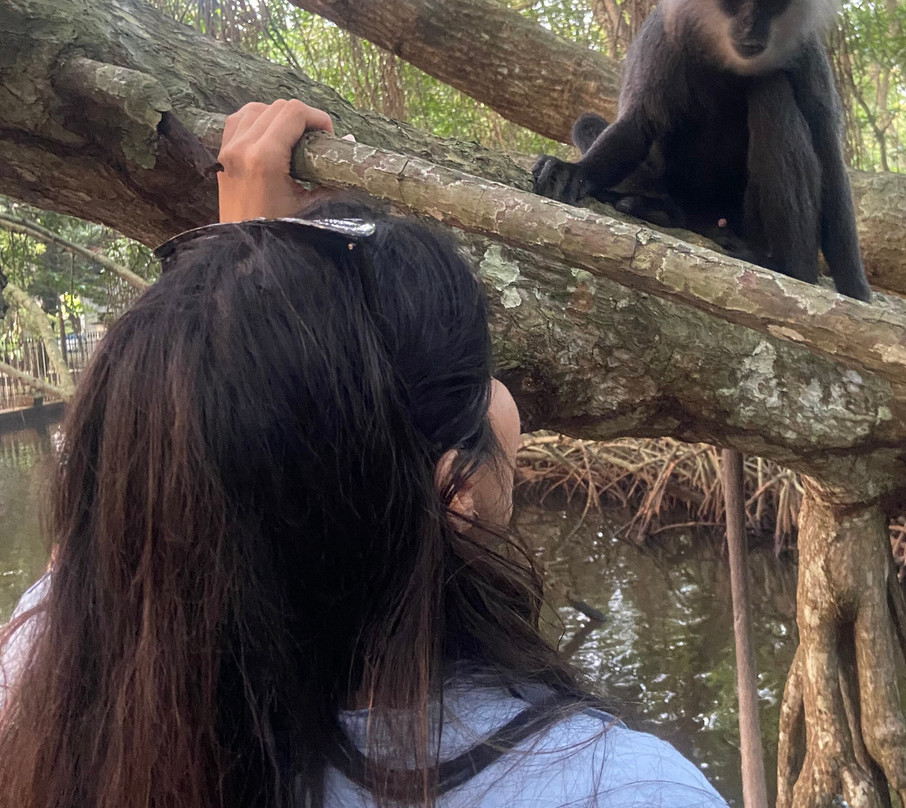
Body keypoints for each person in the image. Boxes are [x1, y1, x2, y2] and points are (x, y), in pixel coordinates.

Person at [0, 99, 729, 808]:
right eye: (485, 377)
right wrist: (256, 274)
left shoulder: (51, 688)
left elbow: (141, 485)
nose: (505, 395)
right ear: (453, 494)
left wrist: (250, 281)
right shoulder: (620, 788)